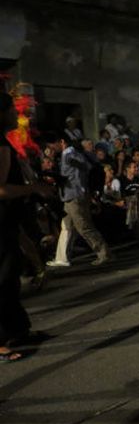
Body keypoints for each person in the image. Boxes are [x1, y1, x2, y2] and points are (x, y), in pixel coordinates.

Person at [0, 92, 53, 362]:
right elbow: (1, 189)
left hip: (8, 222)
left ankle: (18, 330)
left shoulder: (5, 142)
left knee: (10, 279)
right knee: (3, 280)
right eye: (12, 110)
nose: (17, 115)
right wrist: (35, 188)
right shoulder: (0, 144)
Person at [45, 134, 112, 267]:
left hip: (75, 195)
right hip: (70, 195)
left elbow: (85, 166)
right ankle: (62, 258)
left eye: (52, 145)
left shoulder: (70, 154)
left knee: (84, 226)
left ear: (61, 141)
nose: (51, 148)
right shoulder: (67, 154)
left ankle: (104, 253)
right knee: (67, 227)